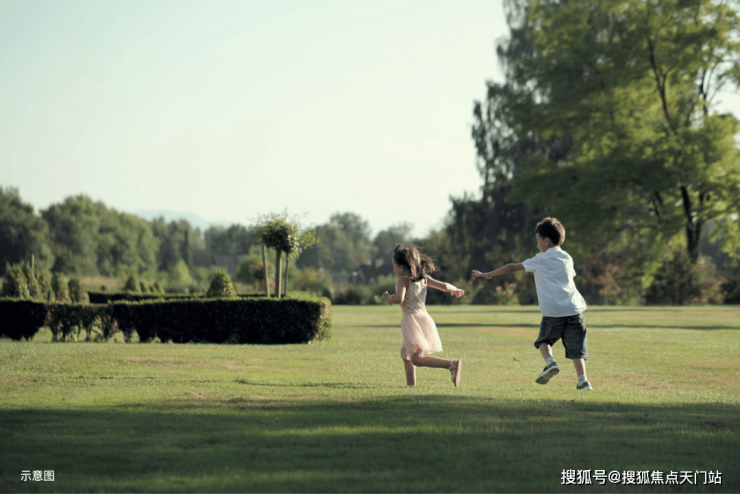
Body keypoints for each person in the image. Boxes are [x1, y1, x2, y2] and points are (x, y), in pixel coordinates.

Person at [472, 217, 593, 391]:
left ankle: (550, 363)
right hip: (574, 310)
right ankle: (583, 380)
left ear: (546, 241)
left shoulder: (540, 259)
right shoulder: (567, 257)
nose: (537, 245)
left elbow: (512, 267)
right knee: (577, 349)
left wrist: (489, 274)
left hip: (553, 312)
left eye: (538, 241)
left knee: (544, 340)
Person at [381, 244, 465, 387]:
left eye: (394, 266)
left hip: (412, 321)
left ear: (401, 267)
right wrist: (455, 289)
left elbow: (399, 299)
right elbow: (444, 286)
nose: (393, 269)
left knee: (416, 359)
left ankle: (451, 364)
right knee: (406, 355)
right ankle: (411, 386)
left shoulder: (403, 280)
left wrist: (388, 298)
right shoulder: (424, 278)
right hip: (423, 318)